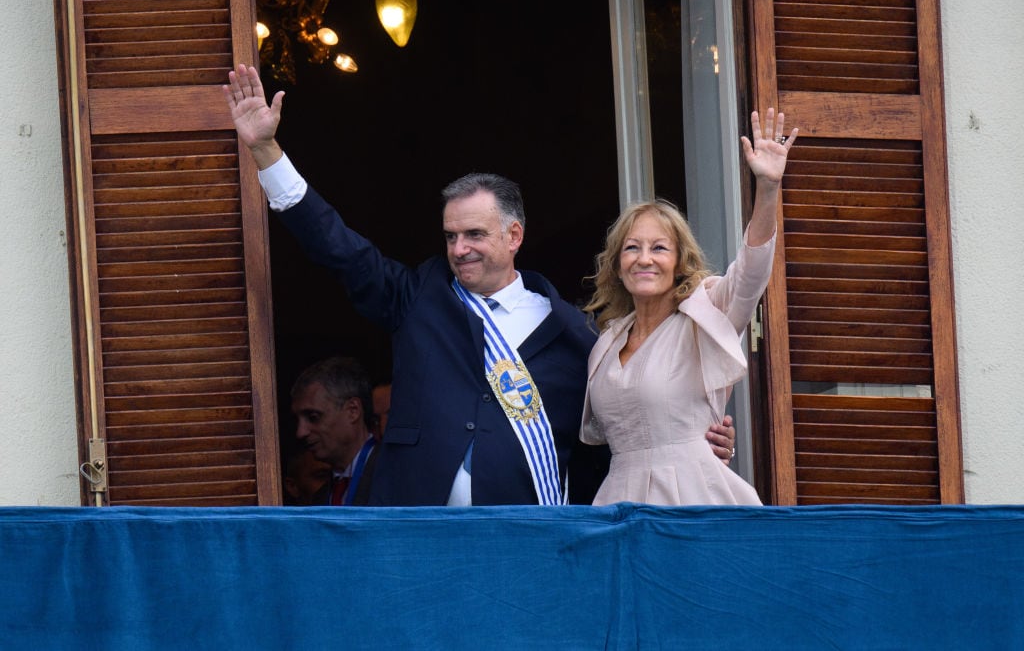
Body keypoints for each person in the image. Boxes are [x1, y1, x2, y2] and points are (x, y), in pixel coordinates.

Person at [223, 63, 737, 506]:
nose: (459, 248)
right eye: (450, 236)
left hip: (521, 541)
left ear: (514, 235)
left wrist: (695, 438)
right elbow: (336, 246)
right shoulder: (418, 296)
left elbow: (626, 421)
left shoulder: (576, 338)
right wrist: (267, 152)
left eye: (474, 234)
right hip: (416, 527)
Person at [580, 109, 797, 506]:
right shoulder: (606, 341)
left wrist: (767, 189)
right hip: (619, 501)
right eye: (632, 248)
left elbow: (750, 275)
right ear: (617, 264)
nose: (645, 259)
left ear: (680, 261)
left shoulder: (705, 314)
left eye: (659, 248)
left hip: (694, 498)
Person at [291, 356, 378, 506]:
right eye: (298, 421)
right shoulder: (319, 499)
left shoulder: (396, 472)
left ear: (353, 411)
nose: (301, 432)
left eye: (313, 417)